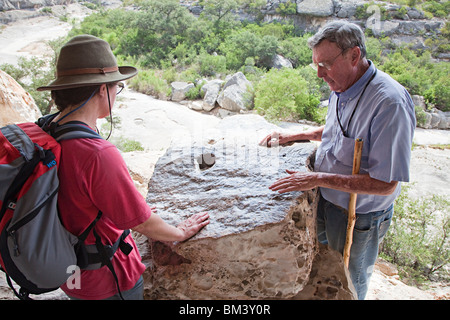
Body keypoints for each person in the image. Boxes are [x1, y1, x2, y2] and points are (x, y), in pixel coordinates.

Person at [36, 35, 209, 300]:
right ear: (102, 89)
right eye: (116, 86)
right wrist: (178, 232)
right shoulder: (96, 154)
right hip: (108, 279)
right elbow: (139, 219)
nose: (116, 93)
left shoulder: (45, 129)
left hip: (69, 271)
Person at [259, 21, 416, 300]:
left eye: (326, 64)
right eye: (316, 66)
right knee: (324, 269)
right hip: (328, 202)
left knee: (350, 280)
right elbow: (339, 132)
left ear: (354, 56)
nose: (320, 74)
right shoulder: (343, 84)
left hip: (359, 215)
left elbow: (385, 184)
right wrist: (297, 135)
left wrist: (316, 178)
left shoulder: (389, 104)